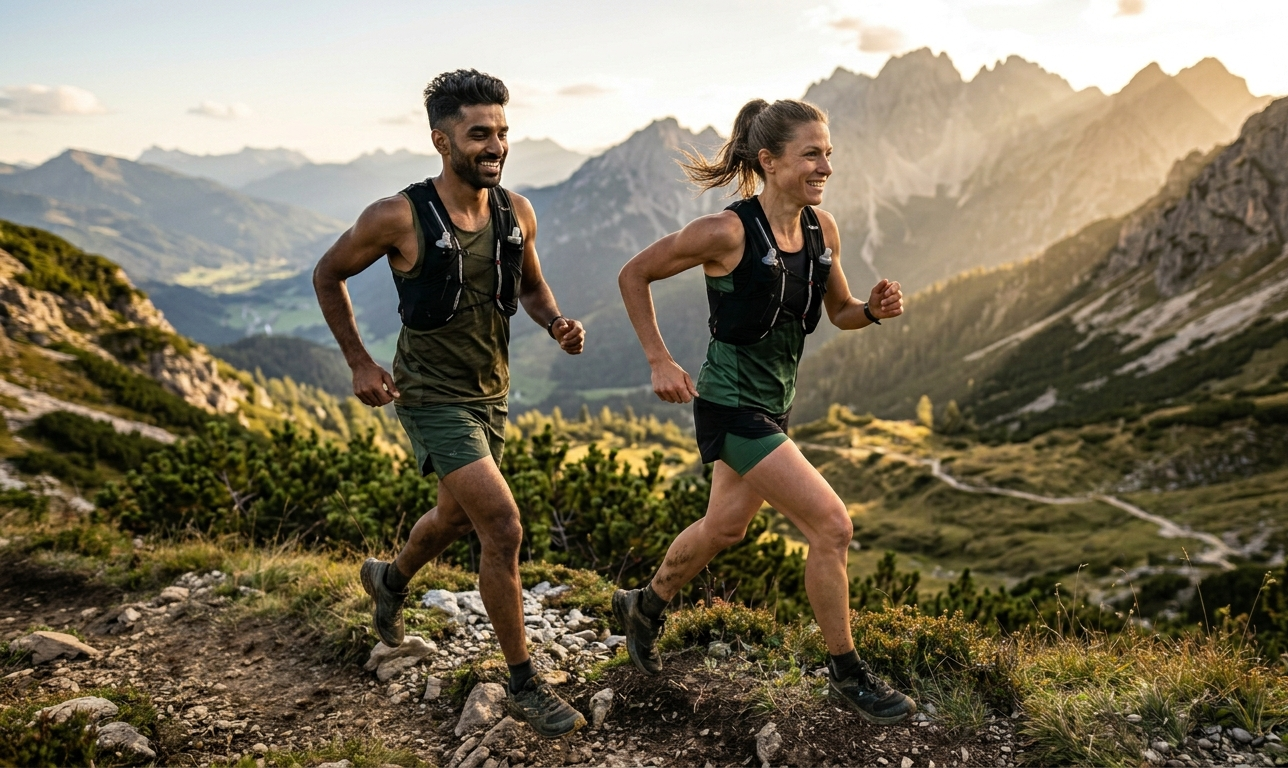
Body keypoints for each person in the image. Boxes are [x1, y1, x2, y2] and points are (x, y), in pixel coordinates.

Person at [614, 98, 915, 724]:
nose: (825, 165)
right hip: (729, 407)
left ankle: (645, 603)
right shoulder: (726, 233)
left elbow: (840, 312)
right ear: (769, 161)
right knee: (833, 527)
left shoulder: (821, 230)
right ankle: (847, 673)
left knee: (725, 529)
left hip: (774, 406)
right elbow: (633, 273)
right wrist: (658, 360)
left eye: (828, 153)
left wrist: (874, 311)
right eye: (811, 154)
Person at [313, 69, 587, 739]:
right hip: (430, 394)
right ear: (442, 140)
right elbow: (328, 274)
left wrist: (555, 324)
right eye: (478, 135)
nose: (495, 146)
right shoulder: (397, 216)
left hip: (490, 391)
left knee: (453, 517)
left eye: (501, 134)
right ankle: (524, 683)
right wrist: (358, 361)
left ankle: (391, 578)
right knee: (503, 525)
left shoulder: (516, 211)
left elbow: (532, 290)